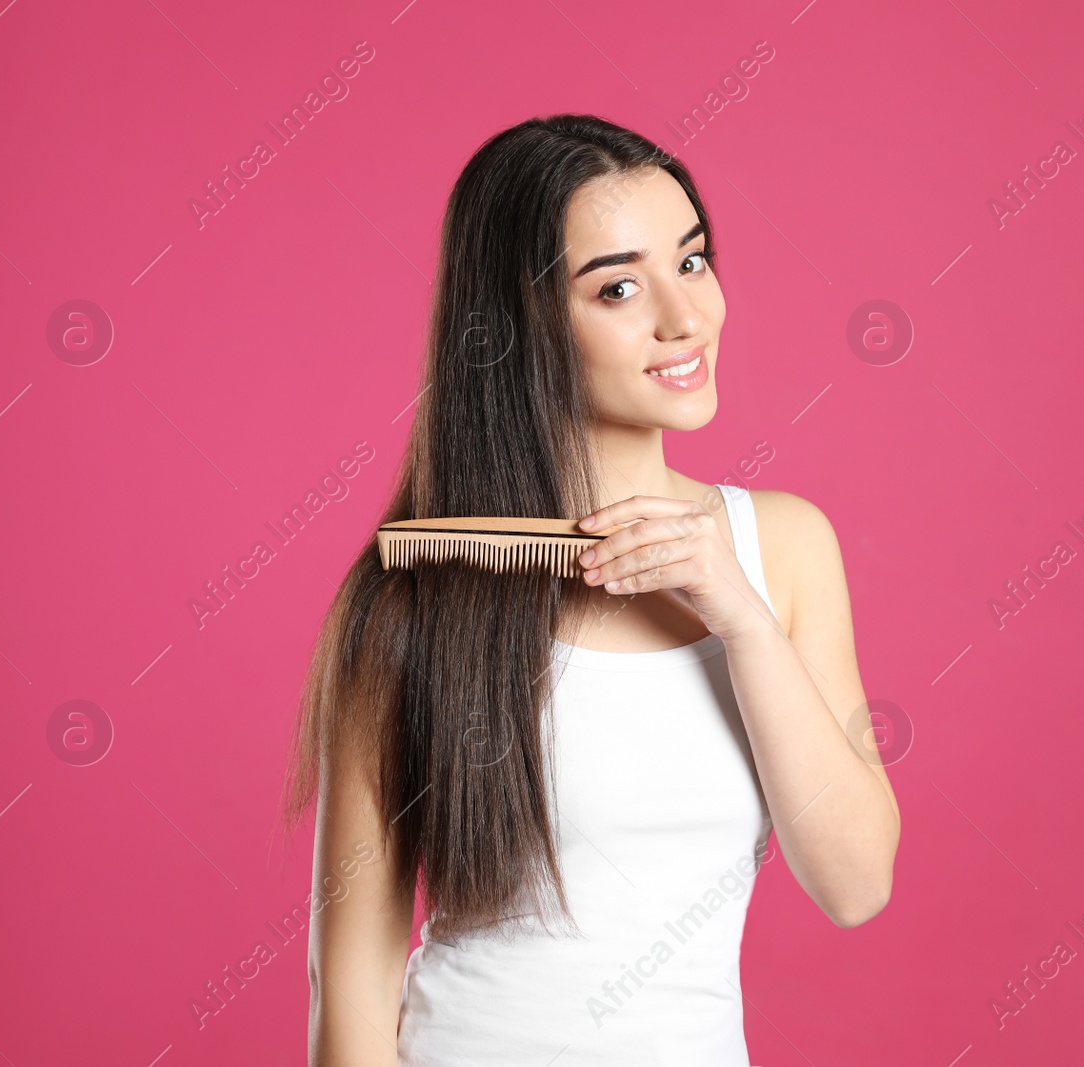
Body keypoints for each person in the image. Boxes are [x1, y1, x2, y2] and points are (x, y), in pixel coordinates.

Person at [280, 113, 900, 1066]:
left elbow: (857, 883)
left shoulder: (783, 548)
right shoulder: (410, 600)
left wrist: (737, 612)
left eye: (692, 262)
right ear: (517, 327)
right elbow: (351, 994)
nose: (684, 317)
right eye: (618, 286)